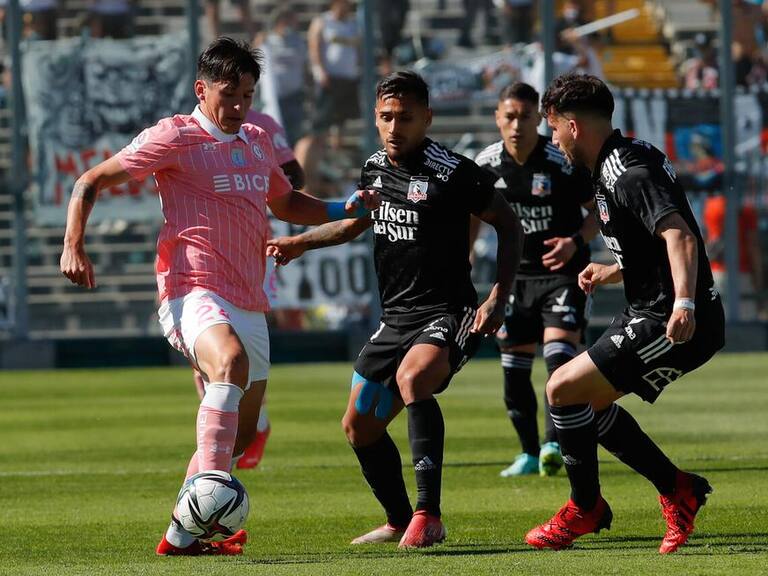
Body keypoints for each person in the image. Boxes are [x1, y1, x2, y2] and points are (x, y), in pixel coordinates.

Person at [60, 37, 379, 557]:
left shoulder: (256, 140)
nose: (238, 106)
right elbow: (90, 181)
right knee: (228, 362)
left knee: (242, 434)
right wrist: (73, 245)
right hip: (190, 289)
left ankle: (180, 537)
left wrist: (343, 207)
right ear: (201, 89)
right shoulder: (175, 136)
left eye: (247, 95)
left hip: (248, 297)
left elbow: (286, 202)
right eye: (229, 94)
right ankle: (211, 492)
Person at [267, 71, 523, 548]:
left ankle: (429, 515)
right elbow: (356, 223)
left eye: (405, 118)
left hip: (449, 312)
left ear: (427, 118)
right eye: (386, 117)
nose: (394, 127)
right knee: (358, 426)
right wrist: (300, 243)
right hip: (395, 319)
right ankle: (399, 519)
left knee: (414, 378)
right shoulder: (374, 167)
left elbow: (509, 224)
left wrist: (498, 296)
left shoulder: (454, 172)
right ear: (375, 117)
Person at [525, 73, 725, 554]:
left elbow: (679, 235)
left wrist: (684, 304)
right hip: (648, 309)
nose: (554, 139)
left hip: (670, 320)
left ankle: (586, 508)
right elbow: (653, 244)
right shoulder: (622, 159)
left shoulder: (629, 171)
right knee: (583, 405)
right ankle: (677, 488)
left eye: (554, 128)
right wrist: (613, 270)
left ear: (573, 126)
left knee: (562, 390)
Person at [474, 82, 598, 478]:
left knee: (559, 360)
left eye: (525, 117)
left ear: (538, 121)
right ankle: (528, 453)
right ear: (497, 118)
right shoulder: (486, 164)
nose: (517, 125)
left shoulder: (561, 161)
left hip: (564, 276)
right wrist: (465, 261)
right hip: (514, 280)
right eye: (509, 117)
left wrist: (575, 241)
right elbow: (472, 216)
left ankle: (553, 445)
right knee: (514, 369)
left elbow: (599, 210)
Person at [190, 108, 305, 471]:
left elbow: (295, 175)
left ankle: (254, 423)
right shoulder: (185, 129)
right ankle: (221, 448)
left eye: (245, 91)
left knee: (237, 349)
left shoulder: (262, 127)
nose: (237, 101)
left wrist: (259, 185)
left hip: (251, 246)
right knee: (209, 355)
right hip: (201, 257)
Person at [308, 0, 361, 144]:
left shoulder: (353, 23)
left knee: (341, 120)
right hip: (329, 78)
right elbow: (314, 47)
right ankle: (320, 149)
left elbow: (358, 48)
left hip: (348, 77)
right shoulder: (322, 21)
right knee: (323, 119)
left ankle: (337, 146)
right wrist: (319, 71)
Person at [254, 6, 307, 147]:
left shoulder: (299, 42)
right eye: (286, 21)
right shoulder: (267, 41)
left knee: (294, 134)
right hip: (274, 99)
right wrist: (258, 43)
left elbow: (304, 65)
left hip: (293, 97)